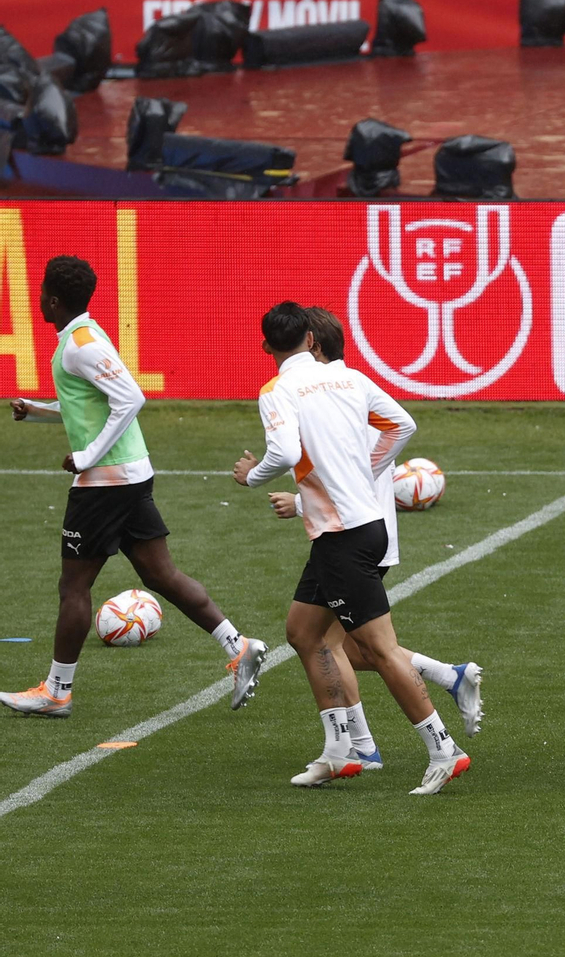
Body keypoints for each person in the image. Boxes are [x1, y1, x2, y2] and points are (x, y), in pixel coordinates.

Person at [3, 255, 268, 718]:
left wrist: (87, 457)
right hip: (128, 475)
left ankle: (57, 691)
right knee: (159, 575)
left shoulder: (80, 344)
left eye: (42, 292)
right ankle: (239, 645)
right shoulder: (83, 335)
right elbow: (89, 406)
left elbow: (131, 398)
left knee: (74, 587)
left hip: (106, 482)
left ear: (53, 299)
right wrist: (40, 410)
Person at [233, 301, 470, 795]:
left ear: (266, 347)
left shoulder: (277, 390)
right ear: (311, 340)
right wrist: (367, 469)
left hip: (344, 538)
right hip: (357, 530)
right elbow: (403, 425)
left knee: (380, 651)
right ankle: (340, 750)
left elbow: (285, 453)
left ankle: (443, 749)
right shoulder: (350, 380)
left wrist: (252, 477)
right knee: (303, 632)